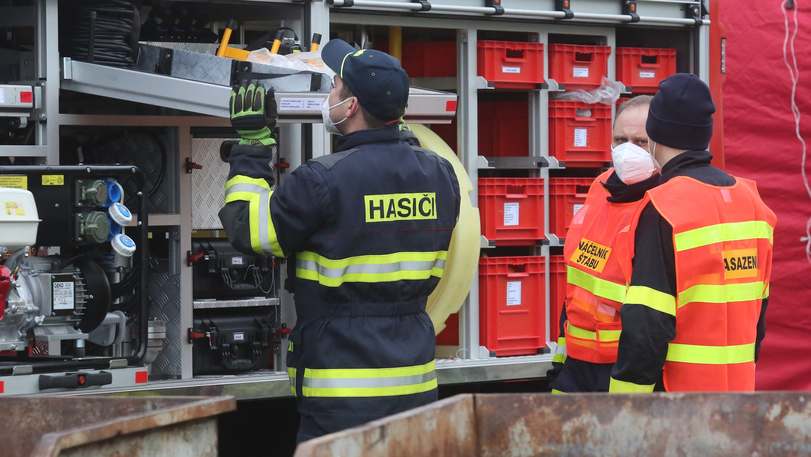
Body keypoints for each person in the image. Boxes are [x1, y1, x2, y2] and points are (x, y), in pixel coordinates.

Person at [218, 39, 461, 440]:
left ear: (351, 107)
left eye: (334, 87)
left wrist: (252, 147)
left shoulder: (321, 181)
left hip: (340, 396)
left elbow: (248, 229)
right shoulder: (441, 175)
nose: (329, 94)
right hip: (415, 387)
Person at [609, 74, 776, 392]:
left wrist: (625, 405)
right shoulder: (753, 203)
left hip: (679, 397)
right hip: (738, 393)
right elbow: (759, 313)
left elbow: (647, 323)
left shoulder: (664, 206)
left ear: (654, 132)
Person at [549, 95, 660, 393]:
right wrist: (560, 363)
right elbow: (577, 283)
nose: (628, 150)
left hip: (625, 368)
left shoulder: (664, 203)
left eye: (641, 142)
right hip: (576, 366)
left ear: (661, 146)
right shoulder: (600, 187)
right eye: (620, 140)